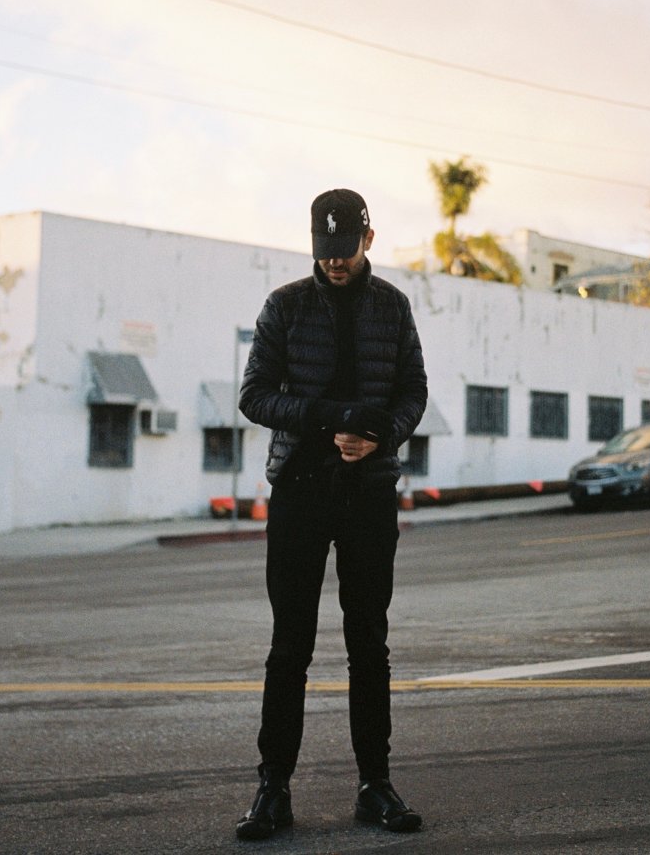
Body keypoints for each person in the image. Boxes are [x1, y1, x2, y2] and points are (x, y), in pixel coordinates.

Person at [235, 188, 428, 841]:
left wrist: (381, 436)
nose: (334, 263)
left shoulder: (393, 308)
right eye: (324, 250)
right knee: (288, 646)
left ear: (367, 240)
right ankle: (272, 789)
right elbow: (255, 396)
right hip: (299, 491)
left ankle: (375, 785)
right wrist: (328, 418)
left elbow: (412, 391)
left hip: (368, 492)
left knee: (367, 643)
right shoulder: (284, 306)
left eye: (344, 250)